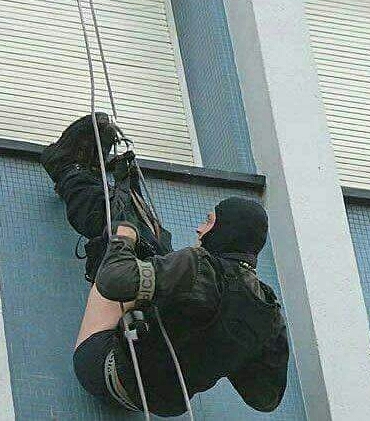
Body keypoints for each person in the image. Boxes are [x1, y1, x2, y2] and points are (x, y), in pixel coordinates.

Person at [41, 113, 289, 417]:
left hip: (105, 371)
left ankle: (68, 168)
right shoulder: (267, 311)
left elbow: (114, 279)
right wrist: (224, 344)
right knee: (156, 248)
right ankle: (120, 193)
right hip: (163, 403)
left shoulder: (198, 266)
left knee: (123, 233)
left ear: (227, 231)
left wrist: (122, 237)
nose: (199, 229)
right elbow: (264, 398)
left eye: (209, 221)